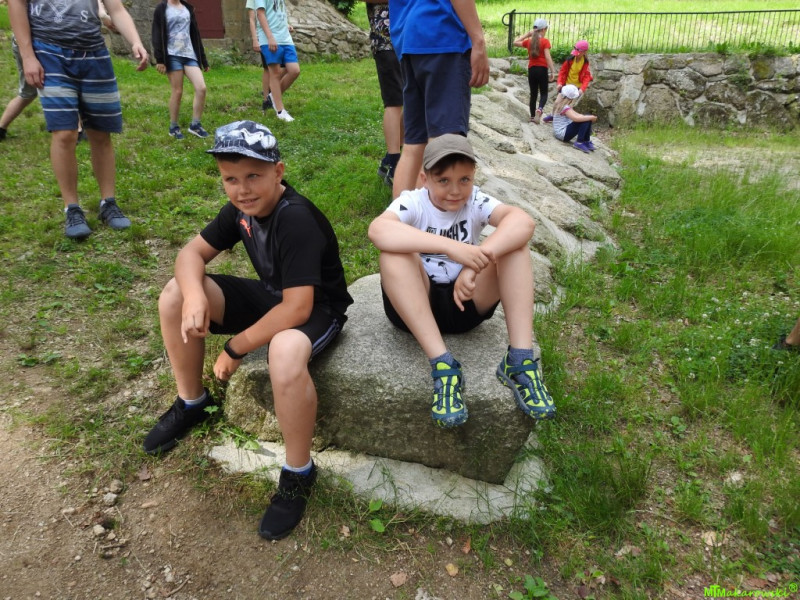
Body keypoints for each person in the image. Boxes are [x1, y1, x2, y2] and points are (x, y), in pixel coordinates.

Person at [143, 120, 353, 540]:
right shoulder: (240, 209)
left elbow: (298, 308)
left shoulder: (295, 218)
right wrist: (196, 297)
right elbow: (189, 255)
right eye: (231, 179)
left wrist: (236, 347)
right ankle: (192, 403)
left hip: (316, 308)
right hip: (274, 296)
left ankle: (298, 471)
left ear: (278, 172)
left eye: (254, 175)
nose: (243, 189)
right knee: (174, 295)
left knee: (284, 351)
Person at [368, 134, 556, 428]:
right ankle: (443, 365)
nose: (455, 191)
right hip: (416, 308)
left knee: (515, 248)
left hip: (465, 302)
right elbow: (378, 231)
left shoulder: (476, 200)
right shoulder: (412, 202)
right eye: (443, 180)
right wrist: (452, 248)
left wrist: (475, 263)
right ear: (424, 178)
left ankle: (519, 360)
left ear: (474, 177)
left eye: (464, 180)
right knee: (393, 255)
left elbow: (523, 222)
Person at [9, 0, 149, 240]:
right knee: (64, 133)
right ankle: (72, 208)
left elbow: (116, 9)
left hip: (94, 54)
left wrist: (135, 41)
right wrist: (28, 55)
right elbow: (17, 4)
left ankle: (108, 203)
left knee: (100, 132)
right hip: (49, 53)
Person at [388, 0, 490, 198]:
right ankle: (432, 218)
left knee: (414, 145)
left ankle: (398, 216)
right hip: (443, 35)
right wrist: (478, 40)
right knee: (444, 143)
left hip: (409, 40)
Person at [152, 0, 210, 140]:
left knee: (201, 88)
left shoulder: (187, 8)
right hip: (172, 55)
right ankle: (173, 127)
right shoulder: (161, 8)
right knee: (177, 91)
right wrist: (160, 59)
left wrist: (203, 59)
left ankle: (195, 125)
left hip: (190, 55)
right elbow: (156, 33)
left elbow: (195, 34)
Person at [364, 1, 403, 186]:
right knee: (394, 102)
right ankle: (394, 162)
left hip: (410, 42)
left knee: (409, 101)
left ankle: (394, 157)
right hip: (386, 43)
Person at [254, 0, 299, 122]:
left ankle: (272, 97)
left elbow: (277, 12)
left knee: (294, 70)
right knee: (275, 73)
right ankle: (280, 111)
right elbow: (260, 14)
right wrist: (270, 37)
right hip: (270, 39)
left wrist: (286, 24)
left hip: (285, 38)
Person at [513, 18, 555, 124]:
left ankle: (532, 117)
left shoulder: (529, 41)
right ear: (544, 29)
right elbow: (548, 57)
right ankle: (539, 109)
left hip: (532, 70)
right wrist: (553, 71)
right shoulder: (545, 41)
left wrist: (528, 34)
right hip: (542, 69)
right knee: (544, 93)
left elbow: (515, 42)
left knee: (533, 94)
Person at [543, 39, 593, 123]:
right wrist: (559, 83)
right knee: (557, 102)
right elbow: (562, 72)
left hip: (576, 89)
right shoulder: (569, 60)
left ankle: (564, 120)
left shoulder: (585, 63)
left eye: (579, 51)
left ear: (584, 52)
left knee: (568, 106)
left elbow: (587, 77)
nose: (576, 54)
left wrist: (582, 89)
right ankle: (552, 115)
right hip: (566, 86)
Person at [0, 36, 37, 142]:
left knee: (28, 93)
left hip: (26, 43)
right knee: (28, 93)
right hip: (31, 45)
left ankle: (1, 128)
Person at [551, 84, 597, 153]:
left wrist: (589, 117)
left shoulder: (564, 105)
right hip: (562, 134)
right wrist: (590, 117)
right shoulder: (565, 108)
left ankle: (586, 141)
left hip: (562, 133)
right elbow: (576, 118)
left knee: (587, 118)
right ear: (572, 98)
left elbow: (577, 115)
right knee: (586, 120)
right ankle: (579, 142)